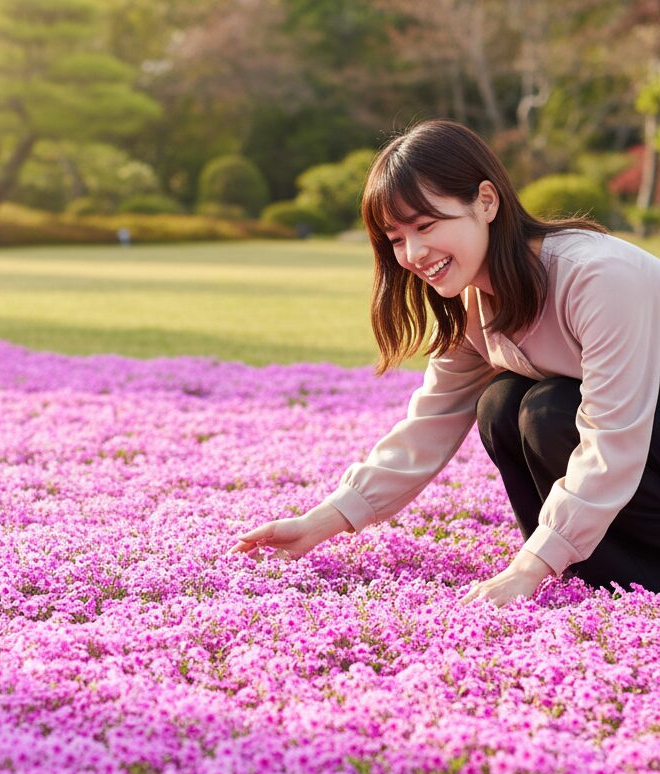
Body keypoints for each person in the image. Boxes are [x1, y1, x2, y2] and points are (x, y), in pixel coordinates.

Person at [230, 118, 660, 607]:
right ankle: (596, 579)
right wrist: (320, 522)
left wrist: (527, 568)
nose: (413, 253)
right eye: (395, 238)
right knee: (501, 403)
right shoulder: (471, 301)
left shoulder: (597, 279)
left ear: (486, 202)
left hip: (635, 441)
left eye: (425, 225)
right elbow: (429, 424)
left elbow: (613, 438)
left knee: (546, 410)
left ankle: (606, 575)